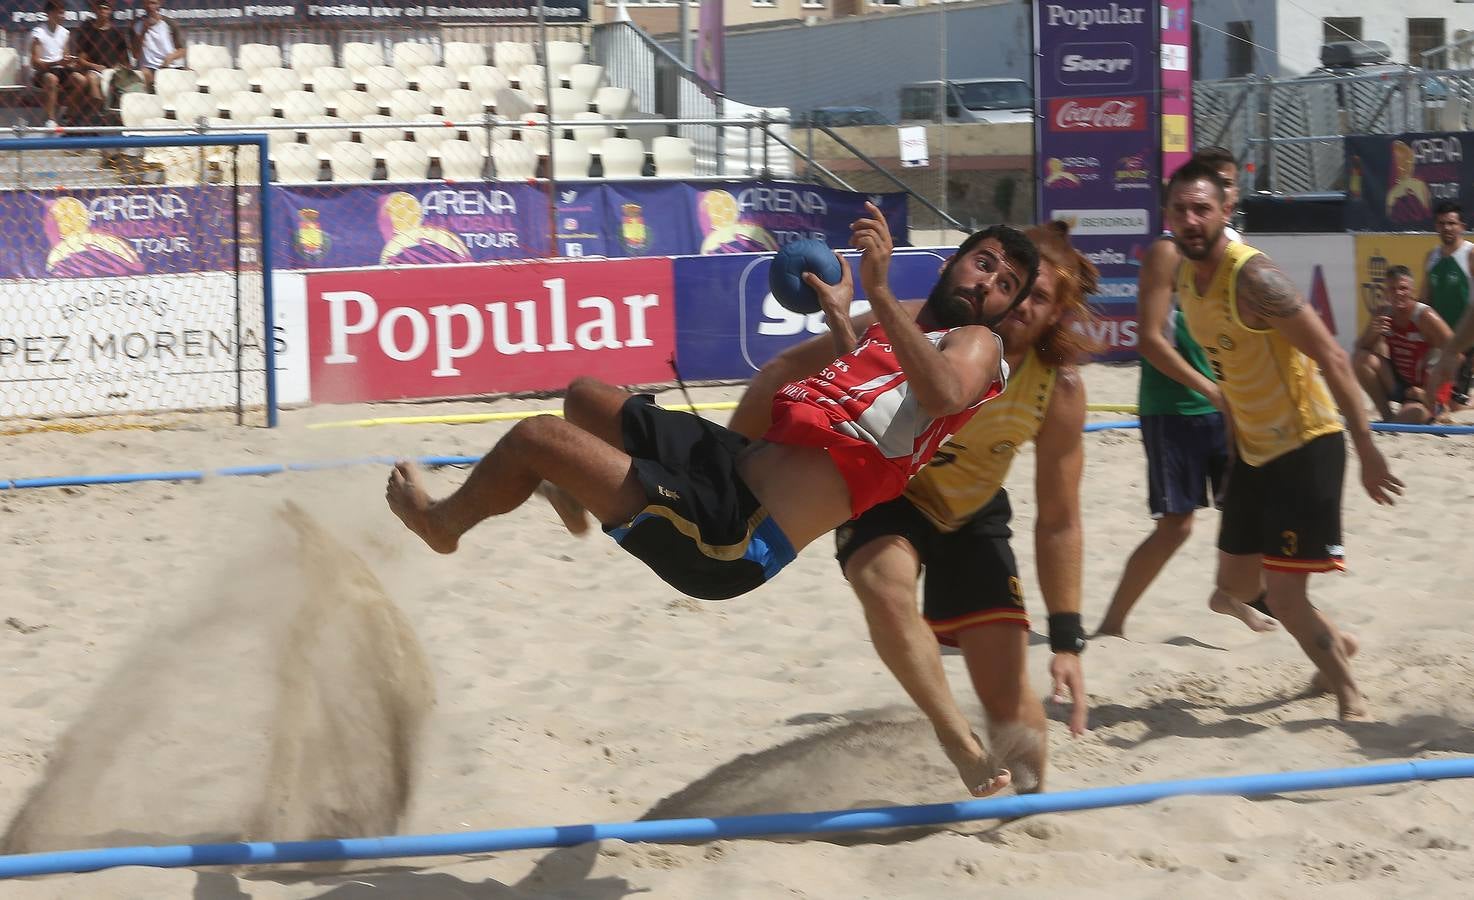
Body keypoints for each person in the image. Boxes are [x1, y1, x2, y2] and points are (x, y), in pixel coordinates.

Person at [386, 207, 1039, 774]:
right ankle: (578, 491)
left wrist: (876, 292)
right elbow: (879, 394)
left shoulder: (978, 345)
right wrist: (846, 318)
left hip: (734, 533)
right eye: (983, 264)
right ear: (955, 261)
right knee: (586, 398)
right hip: (732, 464)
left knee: (538, 438)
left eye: (1004, 284)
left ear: (1008, 310)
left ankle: (443, 525)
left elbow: (944, 392)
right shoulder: (908, 330)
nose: (987, 285)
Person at [728, 221, 1098, 797]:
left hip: (971, 513)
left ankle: (1025, 813)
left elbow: (1060, 520)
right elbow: (782, 372)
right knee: (883, 582)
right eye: (1014, 288)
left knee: (1013, 707)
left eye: (1037, 296)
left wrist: (1069, 639)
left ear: (1051, 313)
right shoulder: (913, 323)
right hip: (888, 492)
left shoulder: (1059, 389)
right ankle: (955, 738)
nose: (1021, 303)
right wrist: (736, 461)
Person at [1163, 159, 1402, 721]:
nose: (1191, 219)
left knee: (1286, 595)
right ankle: (1334, 644)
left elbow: (1332, 355)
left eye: (1202, 208)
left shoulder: (1254, 278)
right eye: (1180, 209)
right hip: (1253, 450)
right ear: (1167, 214)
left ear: (1226, 212)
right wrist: (1231, 444)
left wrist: (1366, 447)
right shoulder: (1183, 275)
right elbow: (1230, 368)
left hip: (1305, 444)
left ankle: (1349, 694)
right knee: (1235, 587)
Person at [1097, 147, 1274, 638]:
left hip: (1232, 407)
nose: (1208, 198)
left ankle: (1232, 595)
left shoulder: (1242, 254)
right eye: (1192, 197)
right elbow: (1150, 341)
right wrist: (1214, 391)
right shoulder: (1169, 252)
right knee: (1177, 525)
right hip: (1175, 406)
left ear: (1231, 197)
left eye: (1224, 184)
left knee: (1253, 513)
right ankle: (1112, 626)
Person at [1354, 265, 1454, 425]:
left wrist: (1429, 393)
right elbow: (1360, 349)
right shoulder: (1383, 312)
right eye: (1392, 289)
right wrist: (1373, 332)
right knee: (1360, 358)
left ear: (1412, 291)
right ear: (1386, 292)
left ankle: (1436, 409)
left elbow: (1457, 353)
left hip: (1423, 391)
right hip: (1401, 384)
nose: (1398, 293)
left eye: (1403, 288)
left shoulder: (1424, 316)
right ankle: (1387, 416)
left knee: (1412, 415)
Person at [1423, 201, 1474, 408]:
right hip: (1442, 340)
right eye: (1442, 223)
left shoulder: (1470, 254)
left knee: (1456, 406)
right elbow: (1424, 300)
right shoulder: (1431, 257)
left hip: (1467, 340)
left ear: (1462, 226)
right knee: (1431, 398)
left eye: (1452, 223)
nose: (1447, 227)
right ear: (1436, 226)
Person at [70, 0, 133, 125]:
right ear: (95, 11)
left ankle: (92, 118)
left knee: (134, 81)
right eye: (100, 9)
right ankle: (94, 117)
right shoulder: (88, 32)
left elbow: (126, 60)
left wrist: (119, 69)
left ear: (110, 11)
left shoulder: (117, 33)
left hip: (113, 72)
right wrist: (96, 66)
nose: (103, 12)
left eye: (106, 9)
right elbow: (81, 60)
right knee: (92, 78)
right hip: (94, 70)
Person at [29, 0, 84, 129]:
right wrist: (56, 62)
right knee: (52, 79)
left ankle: (67, 115)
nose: (62, 16)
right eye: (59, 13)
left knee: (80, 79)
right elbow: (35, 63)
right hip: (43, 72)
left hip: (61, 70)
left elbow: (65, 56)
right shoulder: (38, 33)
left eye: (63, 13)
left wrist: (70, 62)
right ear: (49, 13)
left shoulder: (64, 32)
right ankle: (51, 120)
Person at [130, 0, 186, 91]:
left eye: (153, 3)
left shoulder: (169, 23)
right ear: (143, 4)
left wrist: (171, 57)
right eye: (147, 3)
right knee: (143, 74)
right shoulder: (136, 24)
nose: (150, 6)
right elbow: (135, 54)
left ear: (159, 4)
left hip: (169, 66)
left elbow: (182, 50)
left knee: (190, 74)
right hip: (148, 68)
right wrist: (144, 31)